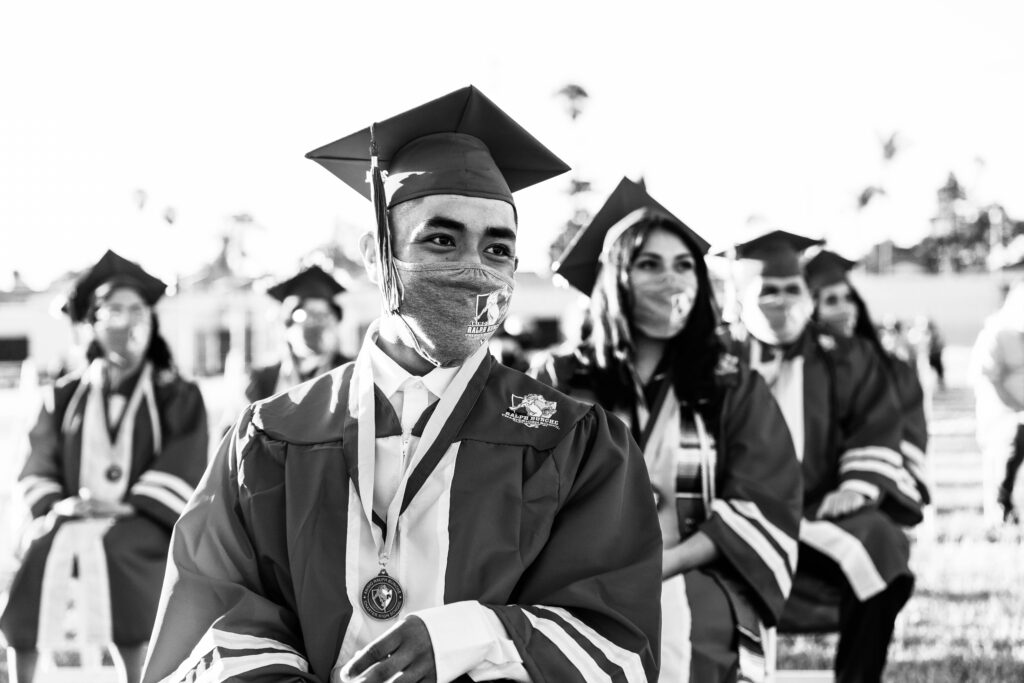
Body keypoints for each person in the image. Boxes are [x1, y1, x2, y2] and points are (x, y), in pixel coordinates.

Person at [142, 86, 662, 683]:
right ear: (375, 255)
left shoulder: (570, 441)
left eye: (497, 248)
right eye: (440, 239)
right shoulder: (274, 437)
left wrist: (476, 636)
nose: (473, 269)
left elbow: (613, 642)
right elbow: (217, 616)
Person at [531, 178, 803, 682]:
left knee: (685, 617)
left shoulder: (730, 383)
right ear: (615, 279)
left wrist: (659, 567)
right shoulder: (561, 381)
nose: (671, 280)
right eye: (649, 265)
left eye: (683, 265)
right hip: (579, 573)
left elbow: (763, 498)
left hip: (694, 568)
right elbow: (524, 499)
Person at [0, 250, 209, 683]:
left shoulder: (177, 393)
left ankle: (139, 676)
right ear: (93, 322)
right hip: (72, 513)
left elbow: (185, 459)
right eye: (114, 310)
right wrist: (58, 506)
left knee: (121, 551)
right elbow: (37, 461)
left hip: (144, 518)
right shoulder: (63, 395)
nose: (126, 321)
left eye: (137, 310)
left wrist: (127, 506)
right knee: (39, 547)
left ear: (151, 322)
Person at [726, 231, 920, 683]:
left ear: (809, 298)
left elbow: (875, 420)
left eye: (792, 289)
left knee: (883, 546)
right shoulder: (721, 357)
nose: (781, 301)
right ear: (742, 297)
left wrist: (856, 485)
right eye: (767, 290)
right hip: (729, 513)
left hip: (809, 513)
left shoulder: (842, 358)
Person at [804, 249, 930, 509]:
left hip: (881, 477)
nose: (844, 308)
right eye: (831, 300)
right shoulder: (805, 365)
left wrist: (869, 480)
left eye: (848, 298)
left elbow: (908, 423)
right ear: (812, 309)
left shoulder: (890, 365)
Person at [246, 265, 351, 402]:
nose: (317, 323)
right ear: (287, 324)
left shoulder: (353, 375)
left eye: (324, 315)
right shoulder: (261, 381)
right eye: (309, 315)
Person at [969, 279, 1024, 524]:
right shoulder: (995, 334)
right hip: (1002, 416)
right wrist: (1017, 408)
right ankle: (999, 512)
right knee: (1003, 461)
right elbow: (989, 379)